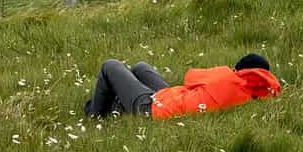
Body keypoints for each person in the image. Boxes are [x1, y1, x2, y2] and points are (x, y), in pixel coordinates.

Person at [83, 52, 281, 119]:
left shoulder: (228, 78)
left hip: (153, 109)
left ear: (239, 70)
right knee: (141, 68)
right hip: (173, 99)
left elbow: (191, 77)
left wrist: (227, 73)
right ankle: (116, 106)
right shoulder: (258, 94)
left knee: (110, 66)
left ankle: (93, 116)